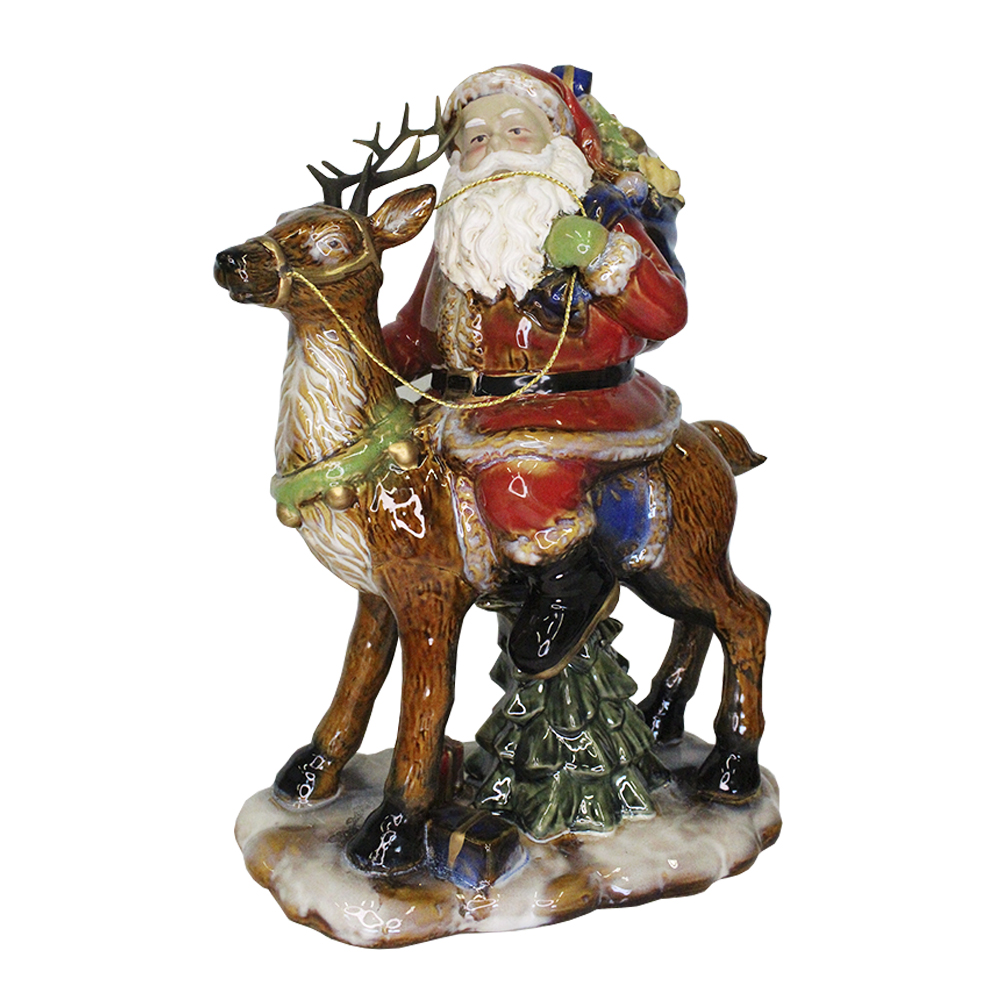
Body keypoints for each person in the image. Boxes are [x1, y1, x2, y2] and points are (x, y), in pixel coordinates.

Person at [382, 65, 688, 676]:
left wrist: (602, 258)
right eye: (475, 137)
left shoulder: (599, 219)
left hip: (571, 405)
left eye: (515, 130)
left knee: (521, 478)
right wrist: (352, 351)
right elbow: (416, 333)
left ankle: (572, 580)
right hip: (464, 407)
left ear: (555, 143)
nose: (494, 147)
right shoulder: (460, 240)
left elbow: (667, 312)